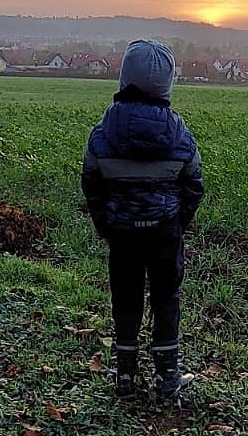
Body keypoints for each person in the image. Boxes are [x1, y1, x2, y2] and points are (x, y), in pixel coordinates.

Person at [81, 40, 204, 399]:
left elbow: (91, 183)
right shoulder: (179, 134)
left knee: (125, 298)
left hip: (122, 233)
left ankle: (125, 377)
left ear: (124, 78)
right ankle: (168, 377)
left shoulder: (103, 132)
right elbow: (194, 185)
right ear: (167, 84)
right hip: (165, 232)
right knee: (166, 298)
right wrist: (177, 224)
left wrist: (105, 226)